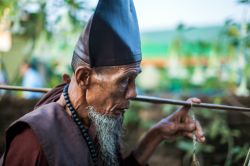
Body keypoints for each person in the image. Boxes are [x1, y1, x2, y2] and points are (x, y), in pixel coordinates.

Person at [1, 0, 205, 165]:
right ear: (84, 78)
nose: (133, 93)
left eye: (134, 79)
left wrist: (158, 133)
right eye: (125, 81)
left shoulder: (98, 119)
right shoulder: (33, 140)